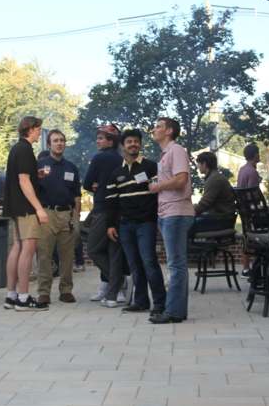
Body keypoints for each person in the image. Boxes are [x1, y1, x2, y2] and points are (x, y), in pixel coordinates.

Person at [105, 129, 166, 314]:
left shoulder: (151, 167)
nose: (133, 144)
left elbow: (161, 194)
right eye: (129, 141)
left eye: (136, 141)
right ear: (123, 146)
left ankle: (160, 303)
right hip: (125, 226)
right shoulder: (115, 173)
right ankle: (140, 301)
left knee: (149, 262)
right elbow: (111, 203)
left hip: (146, 223)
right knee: (134, 265)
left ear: (140, 145)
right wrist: (110, 225)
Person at [148, 117, 194, 324]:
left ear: (169, 131)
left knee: (176, 264)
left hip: (176, 212)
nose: (154, 129)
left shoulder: (177, 150)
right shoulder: (166, 154)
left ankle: (173, 311)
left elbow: (181, 179)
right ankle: (176, 310)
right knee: (176, 264)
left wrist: (158, 186)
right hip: (167, 213)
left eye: (158, 126)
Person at [2, 116, 49, 312]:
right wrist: (38, 208)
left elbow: (23, 177)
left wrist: (36, 176)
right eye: (38, 129)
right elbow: (23, 181)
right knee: (28, 249)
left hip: (15, 205)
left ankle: (11, 296)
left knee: (18, 247)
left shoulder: (17, 148)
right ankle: (23, 297)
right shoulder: (25, 150)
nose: (39, 132)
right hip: (26, 207)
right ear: (30, 129)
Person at [34, 129, 81, 307]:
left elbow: (77, 196)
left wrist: (75, 217)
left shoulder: (71, 168)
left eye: (62, 140)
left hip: (66, 215)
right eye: (55, 141)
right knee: (45, 255)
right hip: (46, 214)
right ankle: (44, 292)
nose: (59, 143)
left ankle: (66, 290)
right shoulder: (40, 165)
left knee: (67, 256)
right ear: (49, 144)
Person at [83, 124, 125, 305]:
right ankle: (114, 288)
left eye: (101, 138)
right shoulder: (122, 159)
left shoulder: (99, 158)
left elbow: (86, 183)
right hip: (120, 208)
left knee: (93, 248)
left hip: (102, 208)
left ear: (110, 141)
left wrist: (95, 186)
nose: (98, 141)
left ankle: (117, 283)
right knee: (113, 251)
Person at [192, 151, 237, 232]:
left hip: (222, 219)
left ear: (204, 164)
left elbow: (205, 203)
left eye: (198, 164)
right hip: (222, 216)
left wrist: (191, 211)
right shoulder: (215, 176)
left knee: (185, 225)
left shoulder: (214, 179)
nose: (197, 166)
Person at [236, 143, 261, 277]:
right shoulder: (252, 172)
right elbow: (253, 195)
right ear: (255, 155)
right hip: (252, 212)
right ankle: (257, 266)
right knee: (254, 238)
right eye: (258, 152)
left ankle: (246, 268)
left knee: (246, 237)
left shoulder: (243, 169)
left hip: (243, 210)